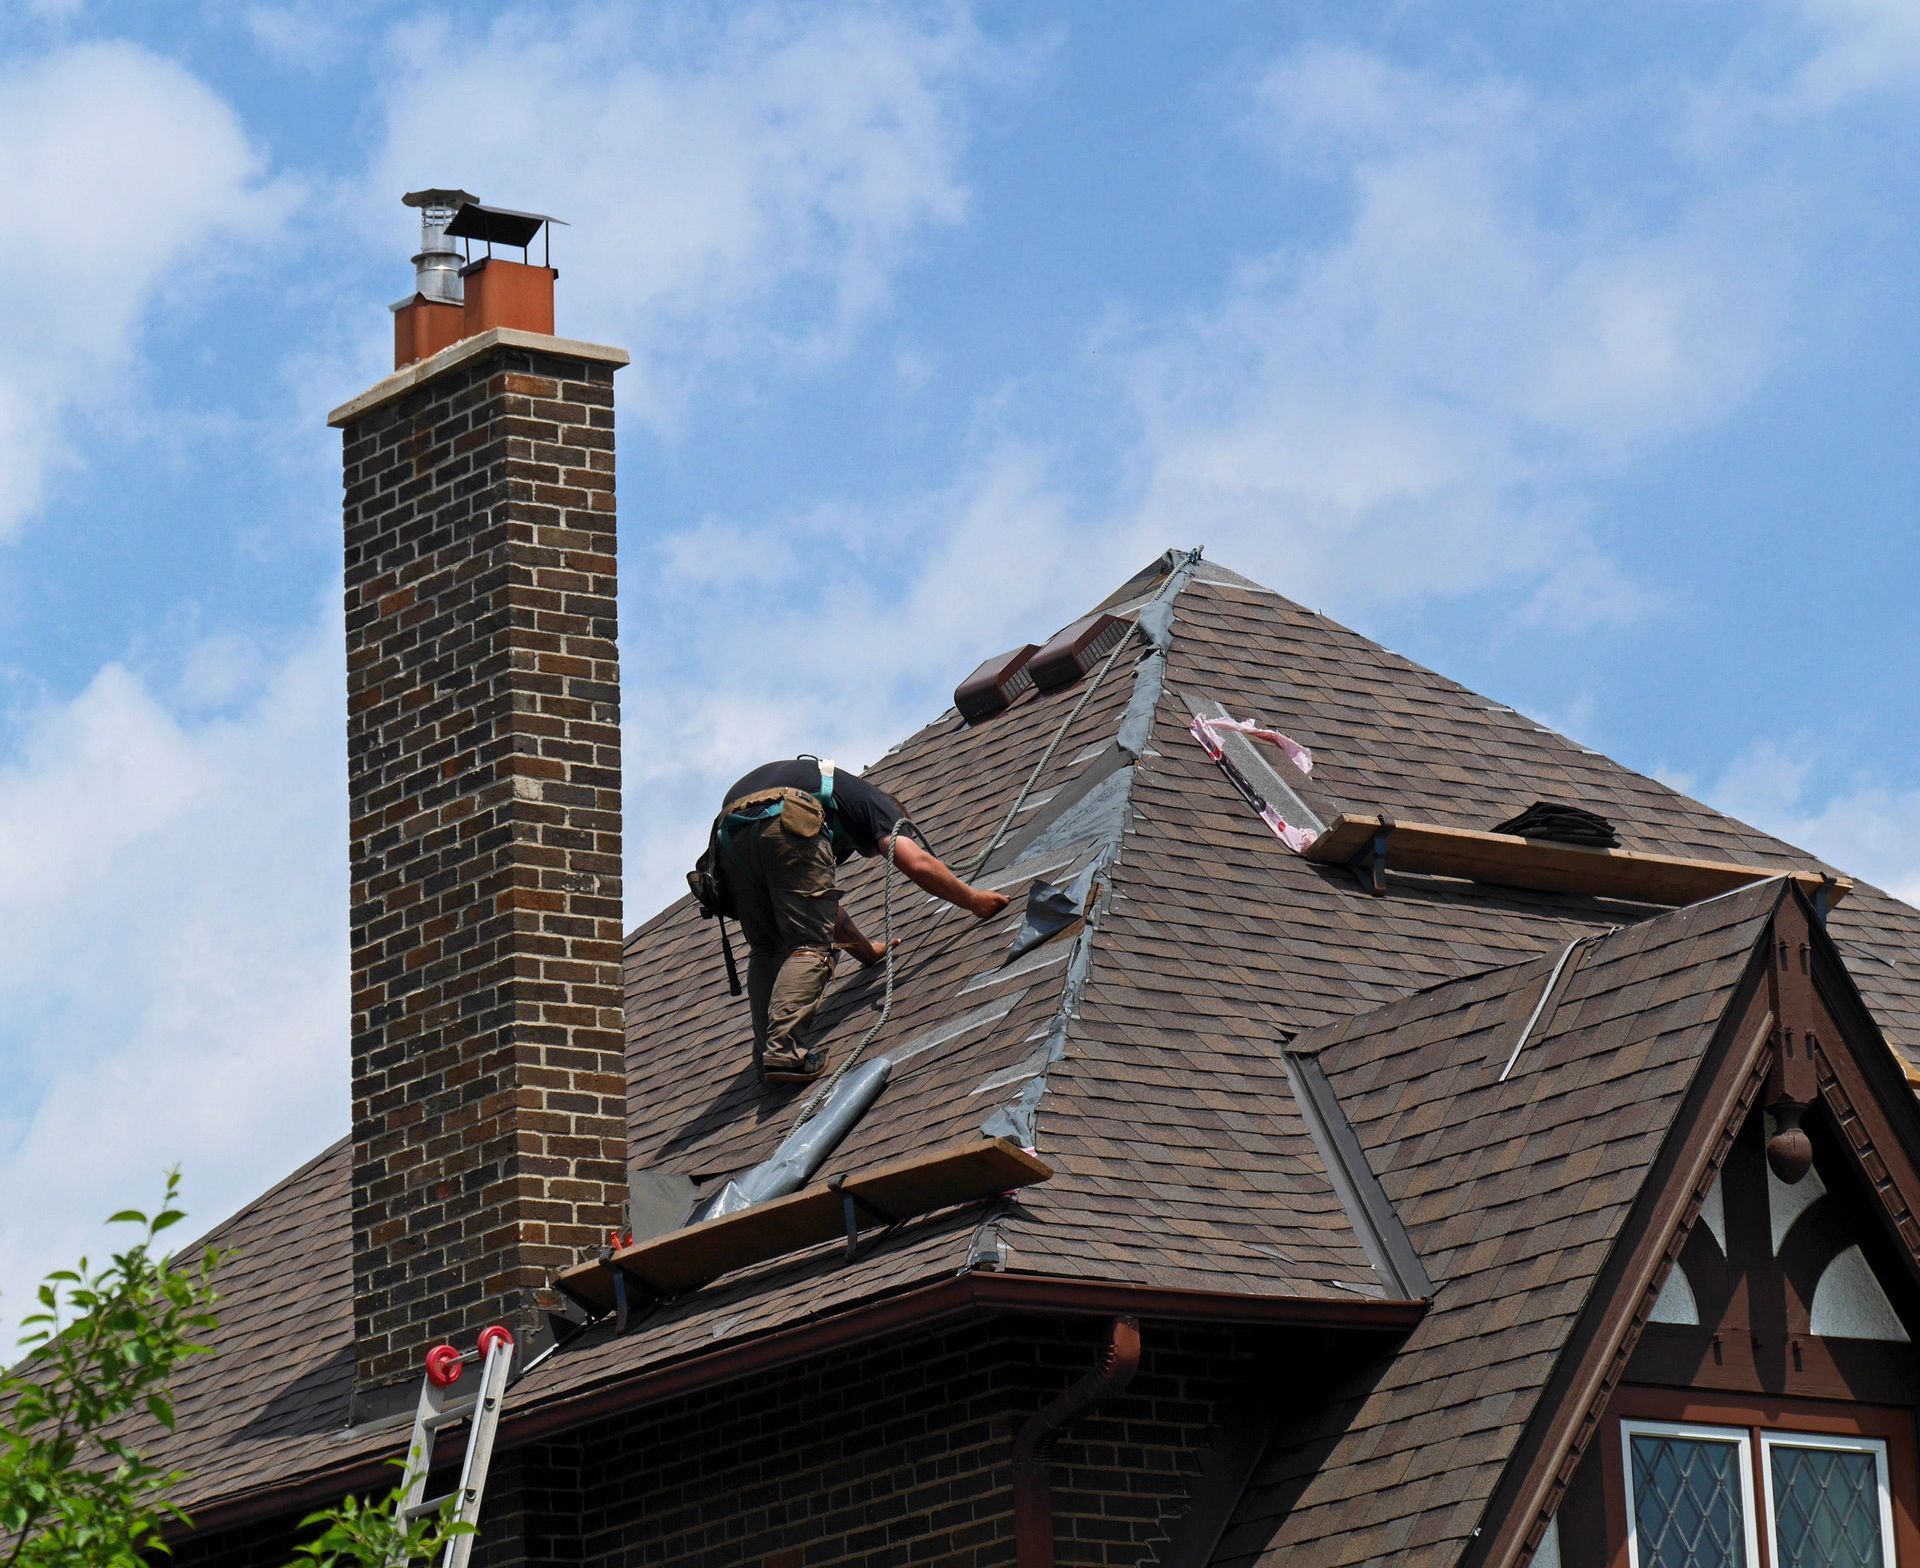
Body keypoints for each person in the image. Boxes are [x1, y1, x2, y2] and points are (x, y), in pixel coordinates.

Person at [712, 757, 1011, 1084]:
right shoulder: (879, 805)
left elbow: (822, 909)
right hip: (783, 816)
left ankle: (766, 1056)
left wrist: (867, 953)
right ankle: (782, 1051)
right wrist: (974, 900)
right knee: (812, 944)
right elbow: (917, 864)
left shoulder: (828, 800)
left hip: (728, 833)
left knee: (767, 947)